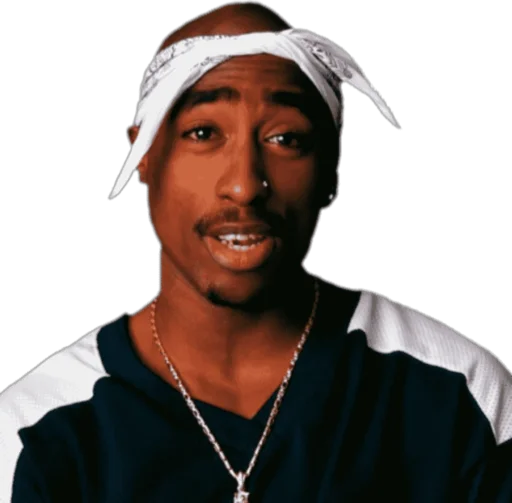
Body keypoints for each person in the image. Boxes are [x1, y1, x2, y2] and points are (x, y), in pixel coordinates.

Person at [1, 2, 510, 502]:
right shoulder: (33, 430)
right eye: (204, 133)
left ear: (330, 168)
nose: (245, 187)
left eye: (285, 138)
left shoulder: (459, 394)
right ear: (146, 157)